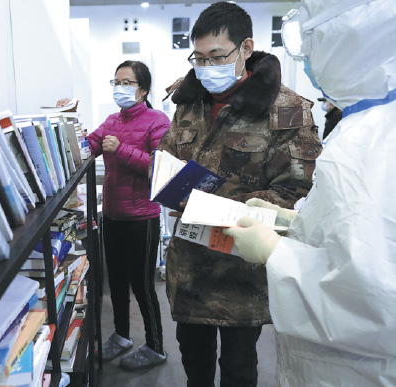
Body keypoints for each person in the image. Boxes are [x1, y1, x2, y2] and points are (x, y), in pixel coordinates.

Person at [223, 0, 396, 385]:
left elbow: (376, 303)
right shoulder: (366, 126)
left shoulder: (379, 139)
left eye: (311, 36)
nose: (307, 57)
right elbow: (357, 232)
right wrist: (295, 223)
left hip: (358, 371)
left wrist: (275, 251)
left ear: (349, 34)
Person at [155, 2, 321, 386]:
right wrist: (163, 179)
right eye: (198, 57)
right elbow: (168, 158)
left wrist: (224, 207)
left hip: (241, 273)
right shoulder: (187, 103)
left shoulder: (286, 110)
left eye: (217, 56)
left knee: (238, 369)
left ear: (246, 48)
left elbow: (297, 190)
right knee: (193, 368)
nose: (206, 67)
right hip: (189, 268)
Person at [79, 61, 170, 370]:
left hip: (143, 219)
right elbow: (88, 147)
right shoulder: (111, 121)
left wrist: (121, 150)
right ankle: (121, 336)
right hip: (113, 217)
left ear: (143, 89)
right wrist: (71, 125)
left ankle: (156, 346)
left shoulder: (158, 121)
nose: (120, 88)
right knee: (115, 281)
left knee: (143, 286)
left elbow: (160, 169)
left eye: (127, 82)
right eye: (116, 82)